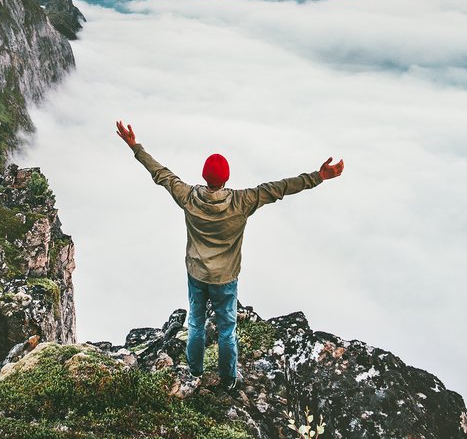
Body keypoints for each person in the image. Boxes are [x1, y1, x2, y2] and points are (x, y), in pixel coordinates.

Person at [115, 119, 344, 393]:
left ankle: (194, 371)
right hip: (226, 278)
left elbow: (161, 174)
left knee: (196, 324)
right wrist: (318, 177)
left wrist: (135, 147)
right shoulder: (242, 201)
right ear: (226, 179)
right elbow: (279, 188)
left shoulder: (188, 197)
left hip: (197, 273)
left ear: (204, 177)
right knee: (226, 329)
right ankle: (228, 378)